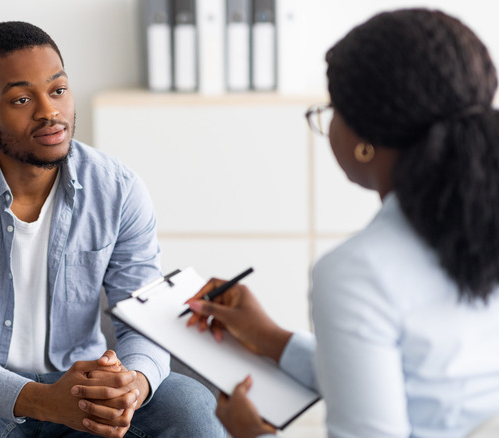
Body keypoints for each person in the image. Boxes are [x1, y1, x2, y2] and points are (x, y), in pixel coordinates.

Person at [0, 21, 223, 438]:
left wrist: (132, 384)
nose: (48, 112)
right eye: (22, 98)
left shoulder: (118, 190)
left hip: (80, 389)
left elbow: (146, 322)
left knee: (190, 408)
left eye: (58, 90)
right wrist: (44, 401)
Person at [185, 8, 499, 438]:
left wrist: (251, 434)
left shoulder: (358, 272)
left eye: (332, 108)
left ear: (365, 143)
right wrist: (271, 338)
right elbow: (418, 386)